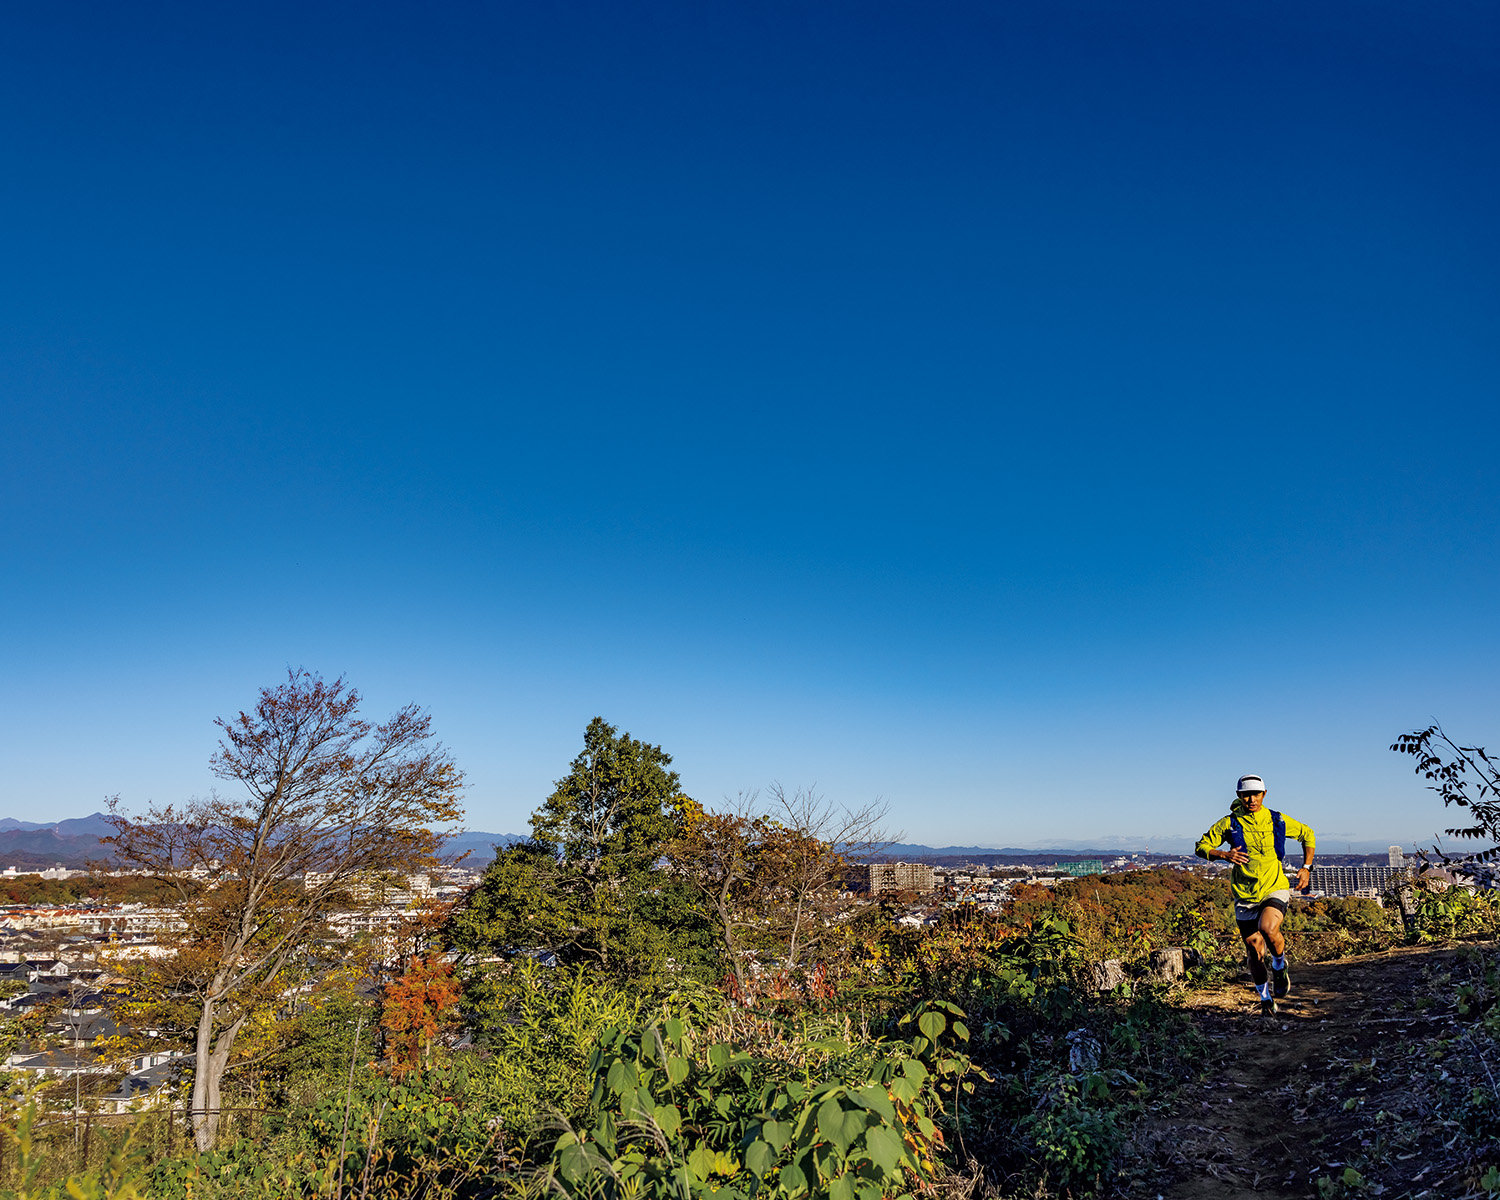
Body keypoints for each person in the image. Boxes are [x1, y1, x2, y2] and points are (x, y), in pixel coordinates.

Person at [1195, 774, 1315, 1016]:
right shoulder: (1228, 823)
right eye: (1246, 795)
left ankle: (1279, 965)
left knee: (1268, 928)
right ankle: (1265, 999)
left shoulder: (1276, 819)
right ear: (1239, 796)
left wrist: (1306, 867)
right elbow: (1201, 846)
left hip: (1274, 886)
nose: (1251, 799)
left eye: (1256, 794)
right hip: (1245, 894)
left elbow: (1307, 834)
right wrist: (1224, 855)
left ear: (1264, 794)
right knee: (1254, 950)